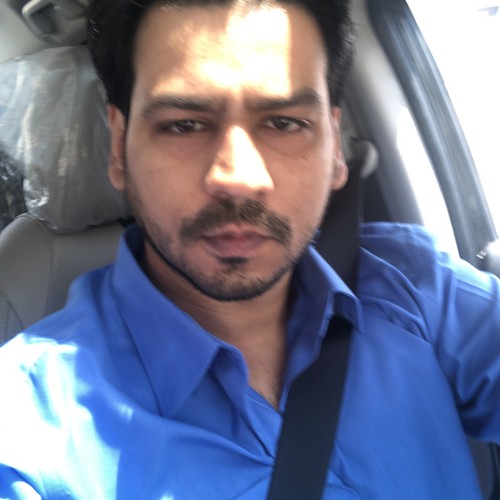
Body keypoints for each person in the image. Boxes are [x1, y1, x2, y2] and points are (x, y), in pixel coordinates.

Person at [0, 0, 499, 498]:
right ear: (119, 149)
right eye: (184, 124)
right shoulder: (30, 432)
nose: (238, 178)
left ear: (335, 149)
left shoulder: (417, 288)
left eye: (284, 123)